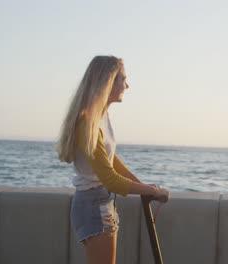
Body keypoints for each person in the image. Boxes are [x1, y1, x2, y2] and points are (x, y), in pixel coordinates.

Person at [57, 55, 170, 264]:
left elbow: (111, 161)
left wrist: (142, 185)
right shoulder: (87, 122)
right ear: (107, 81)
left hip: (103, 202)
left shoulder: (101, 116)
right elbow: (110, 178)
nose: (127, 85)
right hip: (92, 204)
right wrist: (152, 191)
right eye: (122, 79)